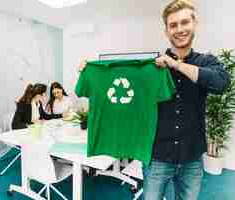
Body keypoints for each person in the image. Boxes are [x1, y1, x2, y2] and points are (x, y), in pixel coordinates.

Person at [78, 1, 230, 199]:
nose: (180, 29)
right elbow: (122, 86)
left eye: (185, 22)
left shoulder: (206, 62)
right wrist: (90, 71)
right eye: (173, 25)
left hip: (192, 158)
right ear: (166, 31)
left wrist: (175, 65)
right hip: (157, 157)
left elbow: (221, 82)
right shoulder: (153, 67)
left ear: (194, 24)